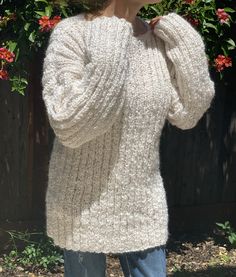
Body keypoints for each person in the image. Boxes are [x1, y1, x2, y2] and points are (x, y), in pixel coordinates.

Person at [41, 0, 215, 276]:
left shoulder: (155, 40)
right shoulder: (72, 32)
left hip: (142, 203)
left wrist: (186, 42)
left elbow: (188, 113)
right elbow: (70, 125)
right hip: (82, 202)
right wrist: (112, 37)